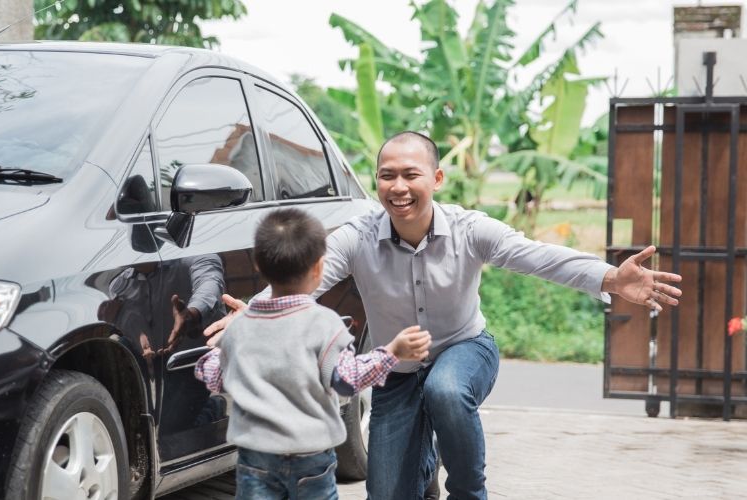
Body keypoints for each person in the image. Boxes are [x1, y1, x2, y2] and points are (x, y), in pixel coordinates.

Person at [205, 131, 683, 500]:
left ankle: (468, 492)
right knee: (388, 491)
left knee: (445, 390)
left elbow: (536, 256)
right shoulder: (358, 235)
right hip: (396, 370)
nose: (398, 187)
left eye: (410, 174)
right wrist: (256, 315)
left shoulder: (470, 229)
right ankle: (422, 466)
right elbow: (306, 276)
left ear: (436, 179)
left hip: (464, 349)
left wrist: (611, 279)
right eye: (386, 175)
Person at [194, 208, 431, 499]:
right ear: (319, 268)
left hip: (257, 454)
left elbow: (217, 379)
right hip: (311, 455)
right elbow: (346, 380)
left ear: (257, 265)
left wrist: (208, 357)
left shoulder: (239, 327)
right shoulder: (324, 324)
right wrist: (392, 352)